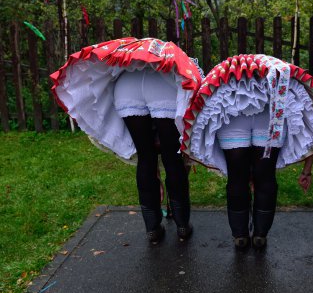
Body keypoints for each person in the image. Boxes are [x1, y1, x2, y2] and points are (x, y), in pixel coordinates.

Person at [51, 38, 202, 244]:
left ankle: (152, 227)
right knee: (172, 157)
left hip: (126, 87)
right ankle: (183, 224)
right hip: (163, 86)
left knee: (146, 157)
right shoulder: (167, 54)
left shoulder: (129, 53)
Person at [182, 54, 313, 249]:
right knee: (266, 176)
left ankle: (240, 236)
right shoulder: (275, 70)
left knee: (237, 177)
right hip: (269, 111)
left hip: (232, 112)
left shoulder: (226, 74)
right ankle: (260, 235)